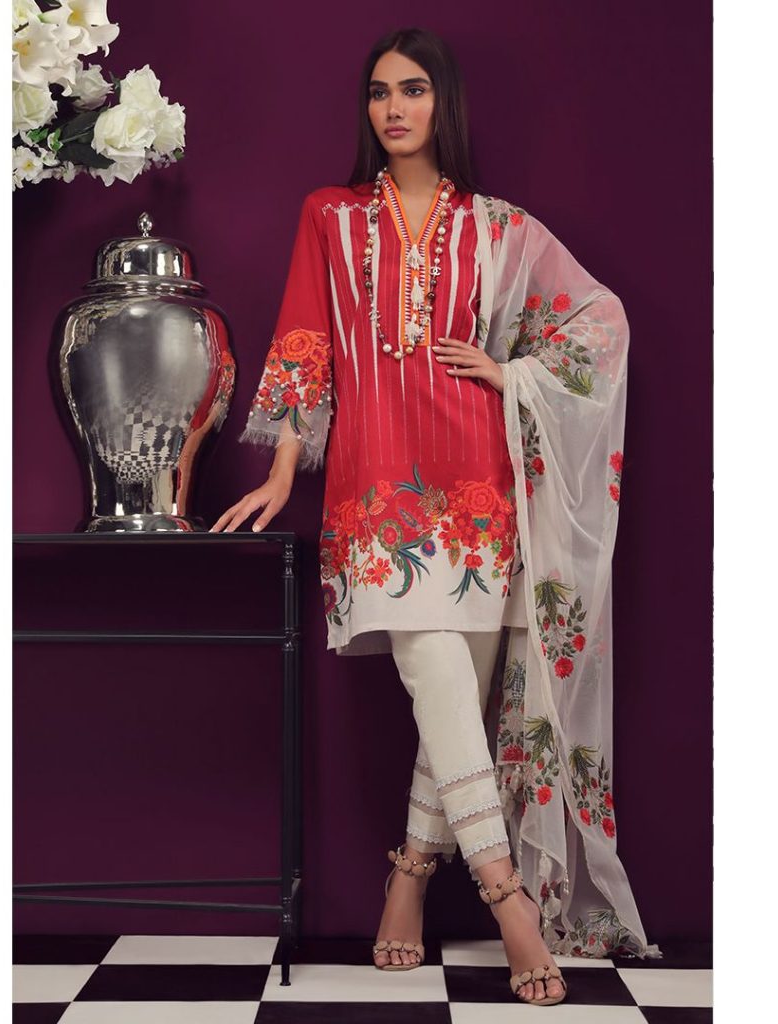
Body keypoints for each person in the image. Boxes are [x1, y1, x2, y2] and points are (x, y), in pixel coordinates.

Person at [211, 26, 660, 1006]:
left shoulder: (496, 227)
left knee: (451, 700)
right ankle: (509, 902)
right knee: (443, 683)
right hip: (375, 493)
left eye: (412, 90)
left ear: (442, 102)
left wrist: (511, 373)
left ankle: (408, 879)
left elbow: (600, 321)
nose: (393, 108)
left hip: (480, 495)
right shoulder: (330, 215)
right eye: (379, 92)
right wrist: (285, 470)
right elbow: (306, 341)